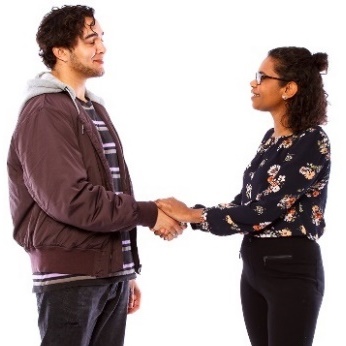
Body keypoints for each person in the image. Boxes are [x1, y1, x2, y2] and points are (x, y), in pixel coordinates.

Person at [7, 5, 185, 346]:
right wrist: (150, 214)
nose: (102, 47)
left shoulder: (92, 108)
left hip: (108, 274)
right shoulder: (46, 111)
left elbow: (110, 186)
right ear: (60, 51)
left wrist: (125, 268)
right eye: (91, 40)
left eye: (101, 37)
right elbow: (72, 200)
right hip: (71, 277)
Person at [156, 46, 331, 346]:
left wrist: (190, 215)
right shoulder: (270, 141)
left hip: (290, 270)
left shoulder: (312, 140)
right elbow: (245, 204)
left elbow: (263, 211)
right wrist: (193, 216)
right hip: (254, 269)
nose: (254, 83)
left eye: (262, 77)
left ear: (288, 88)